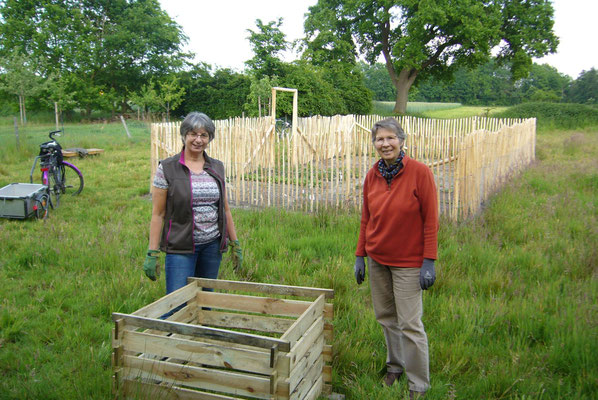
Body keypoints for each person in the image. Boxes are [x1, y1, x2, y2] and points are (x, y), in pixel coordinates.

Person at [354, 117, 438, 399]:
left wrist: (429, 261)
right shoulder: (372, 174)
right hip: (378, 258)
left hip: (408, 262)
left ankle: (418, 384)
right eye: (380, 139)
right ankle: (395, 367)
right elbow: (366, 218)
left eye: (390, 138)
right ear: (374, 144)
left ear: (402, 140)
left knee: (410, 323)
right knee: (386, 317)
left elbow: (431, 220)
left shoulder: (419, 172)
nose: (385, 143)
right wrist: (360, 256)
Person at [143, 112, 242, 296]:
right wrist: (152, 252)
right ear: (184, 136)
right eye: (193, 134)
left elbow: (225, 208)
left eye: (204, 135)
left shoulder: (217, 167)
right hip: (180, 247)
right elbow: (158, 214)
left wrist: (235, 242)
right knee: (176, 301)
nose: (198, 140)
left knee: (206, 299)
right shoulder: (167, 168)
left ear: (209, 138)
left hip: (212, 246)